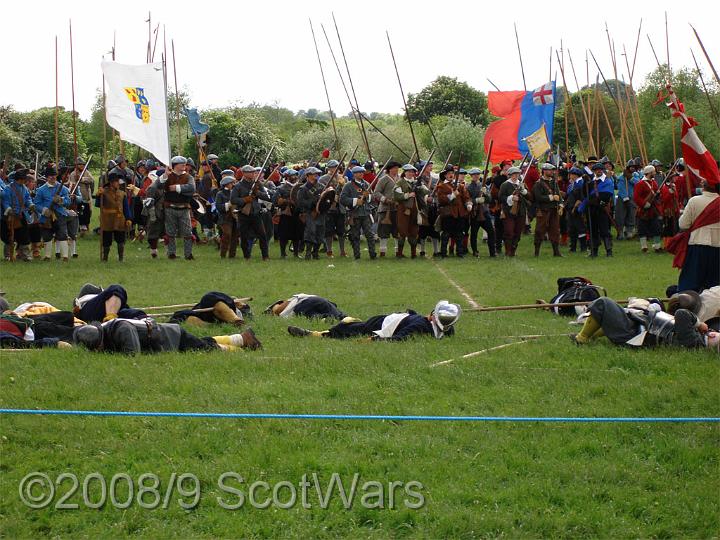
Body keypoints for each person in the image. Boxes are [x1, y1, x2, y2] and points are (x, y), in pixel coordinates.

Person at [571, 296, 718, 350]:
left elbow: (681, 314)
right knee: (627, 313)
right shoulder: (694, 339)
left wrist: (699, 323)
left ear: (711, 336)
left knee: (604, 303)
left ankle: (581, 339)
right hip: (639, 328)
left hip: (633, 336)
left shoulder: (693, 341)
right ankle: (590, 336)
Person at [287, 300, 461, 341]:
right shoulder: (443, 329)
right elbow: (449, 330)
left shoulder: (420, 325)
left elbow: (399, 338)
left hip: (382, 324)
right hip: (390, 319)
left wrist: (374, 340)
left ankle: (314, 334)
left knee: (348, 329)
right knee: (355, 324)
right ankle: (348, 320)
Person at [73, 319, 261, 354]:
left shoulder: (120, 329)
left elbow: (133, 352)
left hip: (171, 337)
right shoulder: (108, 329)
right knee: (201, 343)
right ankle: (242, 338)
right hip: (170, 336)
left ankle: (241, 349)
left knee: (205, 348)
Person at [675, 176, 720, 293]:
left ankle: (687, 309)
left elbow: (683, 225)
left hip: (698, 246)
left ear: (704, 186)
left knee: (690, 285)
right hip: (718, 247)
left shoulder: (694, 201)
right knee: (715, 287)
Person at [159, 156, 196, 260]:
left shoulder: (189, 177)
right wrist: (165, 175)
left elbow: (192, 188)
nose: (184, 165)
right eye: (181, 164)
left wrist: (177, 188)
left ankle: (188, 254)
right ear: (175, 165)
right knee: (170, 233)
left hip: (184, 208)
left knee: (187, 233)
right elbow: (160, 187)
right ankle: (171, 253)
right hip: (170, 207)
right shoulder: (168, 176)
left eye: (184, 164)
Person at [230, 164, 270, 260]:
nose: (253, 174)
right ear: (244, 173)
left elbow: (266, 197)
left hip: (256, 213)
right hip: (243, 214)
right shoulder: (238, 186)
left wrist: (257, 193)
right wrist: (245, 200)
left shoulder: (257, 184)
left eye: (253, 172)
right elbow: (233, 200)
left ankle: (265, 256)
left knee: (262, 235)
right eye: (251, 172)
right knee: (244, 236)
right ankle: (246, 256)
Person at [34, 166, 70, 261]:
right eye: (50, 176)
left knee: (62, 234)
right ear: (47, 177)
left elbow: (68, 201)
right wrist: (44, 210)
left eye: (54, 175)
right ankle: (47, 256)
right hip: (46, 216)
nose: (52, 177)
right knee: (47, 236)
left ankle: (65, 256)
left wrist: (61, 200)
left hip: (59, 214)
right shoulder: (41, 190)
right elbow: (36, 204)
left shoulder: (62, 188)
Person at [341, 165, 377, 260]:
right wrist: (356, 201)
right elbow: (343, 199)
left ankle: (372, 254)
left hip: (365, 213)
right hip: (355, 214)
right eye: (359, 172)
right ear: (354, 174)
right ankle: (357, 255)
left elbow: (372, 198)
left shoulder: (366, 184)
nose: (361, 174)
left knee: (369, 235)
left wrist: (367, 196)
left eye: (362, 172)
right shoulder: (348, 185)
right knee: (355, 236)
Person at [1, 167, 36, 261]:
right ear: (18, 179)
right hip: (8, 216)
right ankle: (8, 255)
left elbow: (27, 198)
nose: (24, 181)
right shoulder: (8, 189)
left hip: (20, 215)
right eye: (23, 180)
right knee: (8, 237)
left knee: (24, 237)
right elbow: (5, 201)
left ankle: (24, 255)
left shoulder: (24, 188)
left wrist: (31, 204)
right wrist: (8, 209)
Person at [96, 171, 131, 262]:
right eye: (116, 181)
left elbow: (126, 208)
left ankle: (121, 258)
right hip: (107, 219)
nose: (118, 183)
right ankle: (105, 258)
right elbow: (98, 204)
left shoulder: (122, 193)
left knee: (121, 240)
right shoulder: (104, 192)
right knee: (106, 241)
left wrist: (128, 218)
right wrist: (99, 195)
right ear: (111, 183)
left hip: (120, 219)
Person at [436, 165, 469, 258]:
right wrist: (452, 195)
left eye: (452, 173)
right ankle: (443, 253)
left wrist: (468, 204)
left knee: (459, 234)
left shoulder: (460, 185)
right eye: (449, 173)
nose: (451, 175)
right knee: (446, 234)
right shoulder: (441, 186)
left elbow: (466, 197)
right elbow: (441, 200)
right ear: (445, 175)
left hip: (460, 213)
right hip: (448, 213)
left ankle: (460, 253)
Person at [583, 162, 615, 257]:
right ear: (594, 171)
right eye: (597, 170)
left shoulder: (607, 181)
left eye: (600, 170)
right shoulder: (591, 182)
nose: (599, 171)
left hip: (601, 208)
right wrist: (585, 183)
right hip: (592, 209)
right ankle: (594, 251)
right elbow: (585, 194)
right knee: (592, 230)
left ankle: (609, 251)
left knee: (604, 230)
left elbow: (607, 194)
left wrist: (595, 200)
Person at [393, 164, 425, 258]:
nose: (411, 173)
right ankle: (399, 253)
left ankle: (413, 254)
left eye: (412, 172)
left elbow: (426, 192)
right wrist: (408, 195)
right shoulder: (400, 182)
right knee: (402, 231)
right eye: (409, 171)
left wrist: (420, 187)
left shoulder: (416, 182)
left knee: (414, 231)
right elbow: (396, 195)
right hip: (403, 210)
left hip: (414, 209)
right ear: (405, 172)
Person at [72, 283, 147, 323]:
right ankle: (110, 319)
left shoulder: (113, 301)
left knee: (138, 313)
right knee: (116, 288)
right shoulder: (88, 295)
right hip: (88, 312)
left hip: (102, 315)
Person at [296, 166, 327, 260]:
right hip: (309, 213)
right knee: (311, 232)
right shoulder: (303, 188)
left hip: (320, 213)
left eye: (317, 174)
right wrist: (312, 202)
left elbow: (326, 199)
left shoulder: (321, 187)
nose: (316, 175)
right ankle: (308, 253)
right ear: (308, 175)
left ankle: (316, 252)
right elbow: (300, 202)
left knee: (320, 233)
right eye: (314, 174)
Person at [498, 166, 530, 256]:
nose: (515, 176)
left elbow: (530, 197)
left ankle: (513, 250)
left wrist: (524, 191)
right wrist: (511, 197)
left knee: (518, 232)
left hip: (521, 211)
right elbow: (500, 197)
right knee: (509, 231)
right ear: (510, 175)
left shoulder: (522, 184)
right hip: (509, 212)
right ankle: (508, 251)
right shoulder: (505, 185)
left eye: (517, 174)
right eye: (513, 174)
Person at [532, 163, 563, 257]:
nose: (552, 172)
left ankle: (556, 252)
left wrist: (561, 205)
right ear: (544, 171)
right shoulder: (538, 184)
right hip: (543, 210)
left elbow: (558, 195)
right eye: (550, 170)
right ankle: (536, 252)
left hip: (554, 210)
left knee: (555, 231)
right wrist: (551, 197)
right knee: (539, 231)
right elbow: (537, 197)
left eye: (552, 170)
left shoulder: (554, 182)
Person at [169, 291, 251, 327]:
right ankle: (235, 320)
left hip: (213, 314)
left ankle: (235, 320)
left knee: (211, 300)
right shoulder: (228, 301)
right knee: (210, 298)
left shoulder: (238, 308)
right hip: (208, 310)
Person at [318, 160, 347, 258]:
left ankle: (343, 251)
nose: (335, 168)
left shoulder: (344, 178)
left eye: (336, 167)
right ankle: (329, 251)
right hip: (329, 207)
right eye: (333, 167)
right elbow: (321, 193)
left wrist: (343, 185)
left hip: (340, 207)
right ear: (329, 168)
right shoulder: (323, 179)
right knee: (329, 231)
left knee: (341, 231)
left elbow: (346, 192)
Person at [465, 168, 496, 258]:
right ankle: (475, 251)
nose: (476, 176)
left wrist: (485, 193)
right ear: (471, 176)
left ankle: (492, 252)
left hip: (485, 212)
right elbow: (468, 200)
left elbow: (489, 199)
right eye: (474, 175)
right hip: (475, 213)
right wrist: (478, 200)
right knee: (474, 234)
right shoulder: (468, 187)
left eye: (478, 174)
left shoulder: (483, 186)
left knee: (491, 232)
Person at [274, 169, 304, 258]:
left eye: (295, 175)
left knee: (297, 235)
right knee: (284, 235)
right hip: (286, 214)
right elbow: (275, 201)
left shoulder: (300, 187)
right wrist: (286, 201)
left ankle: (296, 253)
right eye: (292, 176)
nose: (294, 177)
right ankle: (283, 253)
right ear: (287, 177)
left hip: (297, 213)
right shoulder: (281, 188)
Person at [633, 164, 663, 253]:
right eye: (653, 171)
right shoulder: (640, 184)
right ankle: (644, 247)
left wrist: (658, 193)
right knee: (642, 229)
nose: (655, 173)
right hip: (643, 210)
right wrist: (644, 204)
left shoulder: (654, 182)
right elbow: (636, 197)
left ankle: (657, 247)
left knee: (657, 228)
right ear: (649, 173)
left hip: (653, 210)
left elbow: (657, 196)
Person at [373, 161, 400, 257]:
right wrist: (385, 199)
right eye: (394, 168)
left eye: (397, 168)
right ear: (389, 169)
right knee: (383, 231)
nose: (396, 170)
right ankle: (382, 252)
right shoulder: (383, 179)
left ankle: (398, 252)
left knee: (397, 231)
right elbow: (376, 192)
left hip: (397, 209)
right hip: (385, 209)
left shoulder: (400, 179)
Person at [67, 157, 94, 236]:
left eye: (83, 164)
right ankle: (80, 228)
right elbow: (72, 184)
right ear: (77, 165)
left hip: (86, 196)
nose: (82, 166)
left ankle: (86, 226)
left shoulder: (86, 172)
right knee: (79, 212)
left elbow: (91, 180)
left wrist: (82, 179)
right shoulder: (73, 174)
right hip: (77, 196)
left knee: (87, 212)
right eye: (80, 165)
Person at [215, 170, 238, 258]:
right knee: (227, 234)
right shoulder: (220, 194)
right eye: (232, 183)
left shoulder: (235, 192)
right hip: (225, 218)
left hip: (235, 217)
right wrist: (228, 204)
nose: (233, 184)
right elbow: (218, 207)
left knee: (235, 237)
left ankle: (232, 255)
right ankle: (223, 254)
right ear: (227, 184)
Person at [265, 294, 346, 320]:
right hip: (310, 303)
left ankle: (340, 318)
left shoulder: (290, 302)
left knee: (336, 315)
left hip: (305, 304)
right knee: (336, 315)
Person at [564, 167, 587, 254]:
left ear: (575, 175)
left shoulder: (581, 184)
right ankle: (572, 247)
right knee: (571, 228)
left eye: (571, 174)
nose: (570, 176)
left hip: (578, 209)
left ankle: (583, 247)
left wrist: (576, 207)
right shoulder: (571, 185)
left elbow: (581, 197)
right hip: (570, 208)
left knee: (580, 228)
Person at [615, 161, 638, 240]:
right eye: (631, 167)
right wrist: (625, 197)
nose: (633, 168)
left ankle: (629, 231)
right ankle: (620, 232)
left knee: (631, 215)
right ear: (628, 167)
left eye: (634, 167)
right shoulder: (621, 177)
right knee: (620, 216)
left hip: (632, 198)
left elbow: (638, 184)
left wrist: (630, 178)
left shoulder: (635, 175)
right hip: (622, 198)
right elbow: (620, 187)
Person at [660, 171, 681, 249]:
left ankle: (672, 244)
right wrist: (670, 192)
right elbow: (664, 199)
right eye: (674, 177)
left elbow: (676, 198)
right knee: (668, 228)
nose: (676, 178)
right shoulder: (664, 187)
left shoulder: (673, 186)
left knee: (674, 228)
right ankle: (667, 245)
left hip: (674, 209)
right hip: (668, 211)